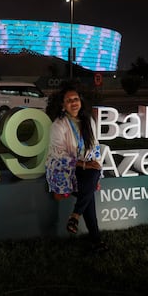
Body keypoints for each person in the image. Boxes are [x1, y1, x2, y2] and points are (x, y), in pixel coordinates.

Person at [45, 83, 107, 253]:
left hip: (84, 169)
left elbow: (95, 147)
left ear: (81, 101)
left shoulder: (88, 121)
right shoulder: (58, 125)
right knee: (89, 193)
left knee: (95, 172)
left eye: (76, 99)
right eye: (69, 100)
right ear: (62, 105)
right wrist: (86, 165)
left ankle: (76, 218)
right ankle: (93, 236)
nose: (73, 102)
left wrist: (94, 170)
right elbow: (59, 155)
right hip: (62, 168)